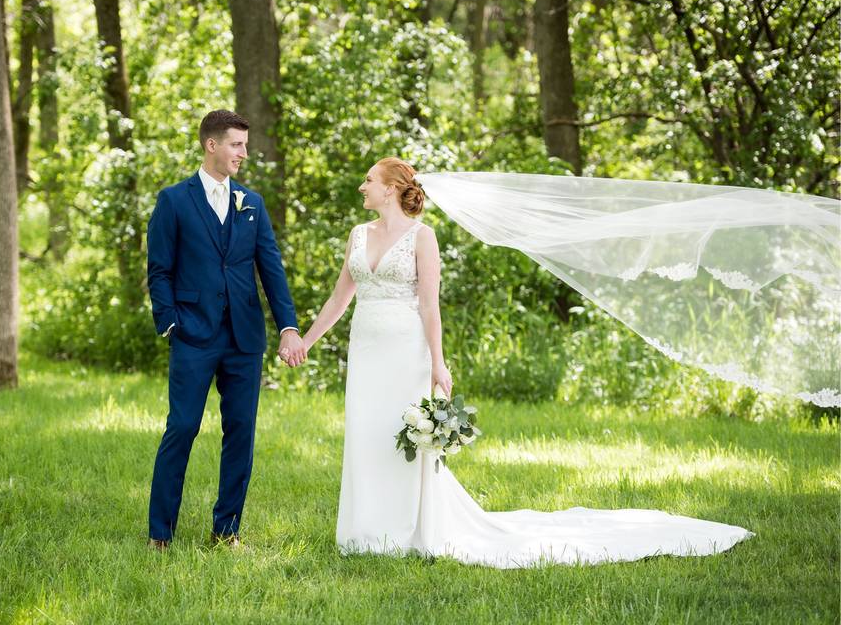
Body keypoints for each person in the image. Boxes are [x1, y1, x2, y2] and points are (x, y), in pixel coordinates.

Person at [300, 157, 754, 568]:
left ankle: (404, 531)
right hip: (366, 350)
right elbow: (341, 296)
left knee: (404, 437)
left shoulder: (424, 237)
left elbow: (429, 306)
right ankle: (364, 531)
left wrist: (439, 364)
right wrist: (306, 341)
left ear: (393, 188)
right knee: (366, 432)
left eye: (369, 180)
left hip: (406, 350)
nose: (362, 187)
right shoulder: (358, 236)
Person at [145, 110, 306, 550]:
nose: (244, 153)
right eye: (237, 144)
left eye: (245, 145)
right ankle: (160, 534)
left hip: (244, 338)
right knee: (182, 427)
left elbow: (270, 268)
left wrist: (288, 326)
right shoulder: (174, 200)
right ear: (211, 145)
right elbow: (159, 270)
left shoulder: (251, 203)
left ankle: (226, 530)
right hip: (193, 334)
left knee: (241, 432)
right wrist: (170, 321)